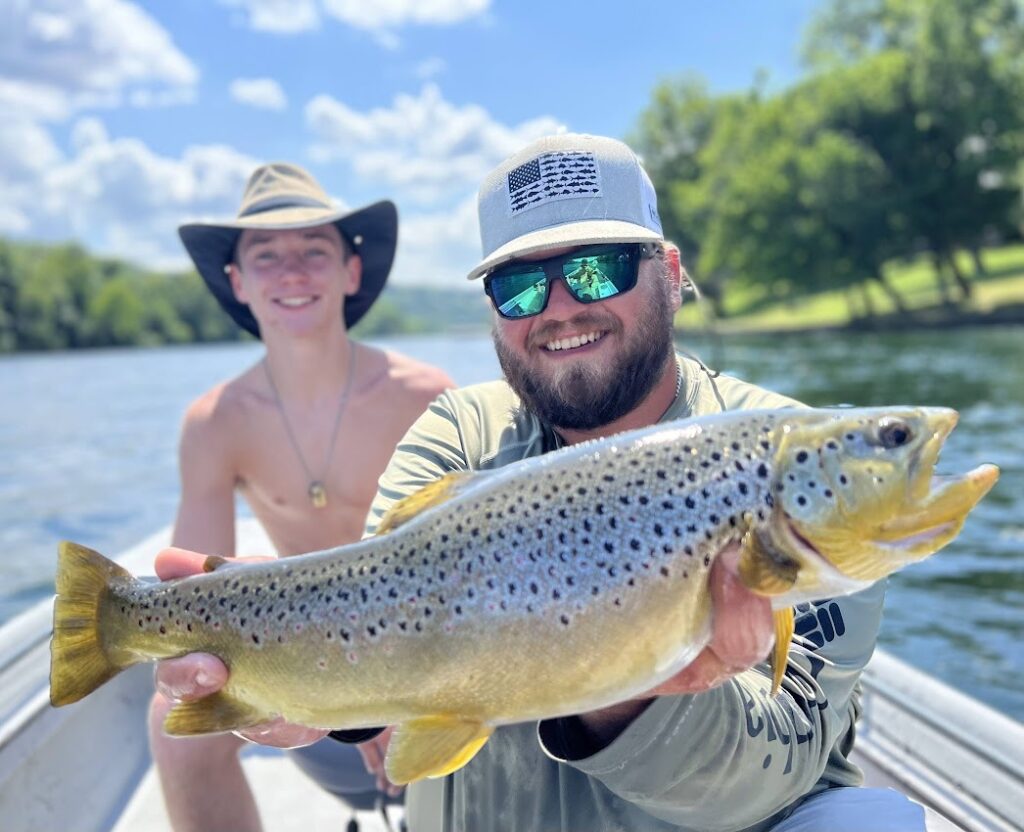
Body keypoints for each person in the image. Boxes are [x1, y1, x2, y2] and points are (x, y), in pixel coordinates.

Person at [155, 136, 931, 830]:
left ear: (668, 273)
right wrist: (294, 690)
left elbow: (781, 773)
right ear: (494, 309)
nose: (559, 309)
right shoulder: (454, 433)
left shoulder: (791, 459)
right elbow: (385, 619)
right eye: (520, 287)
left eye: (596, 270)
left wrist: (624, 682)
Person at [149, 162, 453, 832]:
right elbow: (194, 591)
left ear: (349, 271)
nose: (292, 272)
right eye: (267, 255)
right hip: (294, 662)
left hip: (422, 654)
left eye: (314, 251)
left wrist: (387, 693)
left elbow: (463, 575)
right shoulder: (214, 422)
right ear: (238, 282)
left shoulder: (426, 395)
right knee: (170, 716)